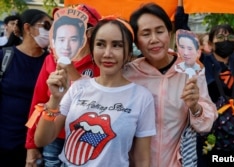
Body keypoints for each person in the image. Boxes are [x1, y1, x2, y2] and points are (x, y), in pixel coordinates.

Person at [34, 16, 156, 167]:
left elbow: (142, 160)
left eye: (117, 45)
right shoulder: (78, 87)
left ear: (129, 52)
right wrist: (54, 99)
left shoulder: (142, 98)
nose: (107, 53)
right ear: (92, 50)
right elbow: (42, 139)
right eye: (100, 44)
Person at [123, 3, 218, 167]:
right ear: (137, 42)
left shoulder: (191, 71)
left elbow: (206, 125)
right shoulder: (128, 74)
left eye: (160, 31)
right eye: (146, 34)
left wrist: (196, 107)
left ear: (170, 33)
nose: (154, 39)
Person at [25, 5, 101, 167]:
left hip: (86, 139)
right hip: (52, 138)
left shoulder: (102, 62)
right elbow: (38, 102)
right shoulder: (51, 60)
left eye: (82, 28)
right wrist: (31, 145)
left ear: (91, 32)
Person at [0, 9, 52, 167]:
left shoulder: (50, 61)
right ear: (28, 28)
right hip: (4, 139)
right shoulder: (5, 56)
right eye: (46, 26)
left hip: (37, 140)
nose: (49, 31)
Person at [197, 24, 234, 167]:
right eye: (220, 37)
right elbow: (184, 37)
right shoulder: (202, 64)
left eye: (230, 37)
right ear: (210, 43)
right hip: (210, 137)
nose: (225, 40)